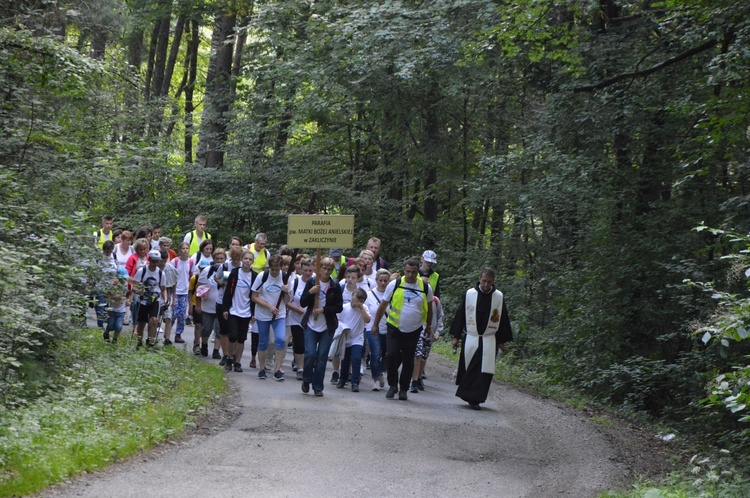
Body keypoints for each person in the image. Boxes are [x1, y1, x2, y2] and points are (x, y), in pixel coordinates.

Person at [450, 267, 513, 410]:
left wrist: (501, 341)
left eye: (489, 282)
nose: (486, 285)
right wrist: (456, 336)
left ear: (493, 282)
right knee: (470, 367)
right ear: (479, 279)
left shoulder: (498, 297)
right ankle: (468, 395)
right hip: (471, 337)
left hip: (489, 339)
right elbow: (461, 315)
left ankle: (476, 398)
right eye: (484, 281)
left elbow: (502, 320)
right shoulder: (470, 294)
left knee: (484, 371)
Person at [372, 258, 433, 401]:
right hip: (394, 327)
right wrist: (375, 324)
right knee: (391, 356)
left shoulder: (425, 287)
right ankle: (393, 385)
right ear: (404, 271)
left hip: (414, 329)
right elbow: (382, 306)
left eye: (414, 272)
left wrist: (428, 326)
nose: (411, 275)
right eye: (408, 272)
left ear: (418, 271)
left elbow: (430, 309)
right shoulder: (395, 284)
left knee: (408, 359)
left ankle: (404, 389)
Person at [299, 257, 343, 396]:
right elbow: (302, 302)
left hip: (327, 326)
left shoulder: (335, 286)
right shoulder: (312, 282)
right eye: (324, 268)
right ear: (319, 268)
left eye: (329, 269)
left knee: (322, 357)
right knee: (310, 353)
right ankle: (306, 379)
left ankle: (318, 387)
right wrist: (311, 293)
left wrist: (324, 310)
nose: (326, 271)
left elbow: (339, 307)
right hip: (311, 325)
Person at [251, 254, 291, 381]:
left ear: (280, 268)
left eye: (277, 269)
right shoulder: (262, 276)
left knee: (280, 339)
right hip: (263, 314)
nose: (274, 272)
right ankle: (262, 369)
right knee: (264, 341)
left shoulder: (285, 277)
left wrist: (286, 291)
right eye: (272, 269)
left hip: (279, 314)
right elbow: (254, 296)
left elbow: (287, 300)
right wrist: (269, 306)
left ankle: (278, 369)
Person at [222, 250, 256, 372]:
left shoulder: (254, 276)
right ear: (242, 259)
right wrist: (225, 308)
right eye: (245, 258)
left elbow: (255, 296)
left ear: (253, 262)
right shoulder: (235, 273)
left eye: (250, 259)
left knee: (241, 338)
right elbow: (227, 292)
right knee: (233, 336)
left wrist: (253, 313)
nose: (247, 261)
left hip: (246, 311)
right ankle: (229, 358)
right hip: (233, 310)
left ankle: (238, 362)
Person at [411, 282, 444, 393]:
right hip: (417, 331)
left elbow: (439, 317)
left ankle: (419, 377)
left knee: (424, 357)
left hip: (430, 333)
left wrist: (437, 332)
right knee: (418, 354)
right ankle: (414, 381)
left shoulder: (435, 301)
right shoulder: (414, 297)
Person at [336, 288, 371, 392]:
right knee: (345, 360)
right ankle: (342, 379)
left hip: (357, 338)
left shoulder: (364, 308)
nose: (356, 303)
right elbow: (338, 320)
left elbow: (368, 320)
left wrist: (361, 308)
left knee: (356, 359)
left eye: (360, 301)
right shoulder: (344, 308)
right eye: (355, 300)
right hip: (346, 337)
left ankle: (355, 382)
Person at [132, 250, 168, 348]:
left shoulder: (161, 274)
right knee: (142, 322)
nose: (155, 264)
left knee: (154, 320)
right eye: (153, 261)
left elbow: (163, 289)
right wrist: (139, 291)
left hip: (155, 300)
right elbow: (134, 286)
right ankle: (139, 341)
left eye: (157, 261)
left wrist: (166, 300)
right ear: (149, 260)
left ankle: (150, 342)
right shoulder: (142, 271)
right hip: (143, 300)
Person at [364, 268, 390, 391]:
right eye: (381, 280)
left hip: (388, 329)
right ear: (376, 280)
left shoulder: (392, 295)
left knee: (385, 355)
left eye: (385, 280)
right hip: (372, 329)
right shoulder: (369, 295)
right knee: (375, 354)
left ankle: (381, 374)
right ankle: (375, 379)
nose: (383, 283)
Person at [287, 258, 312, 381]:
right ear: (301, 269)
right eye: (305, 270)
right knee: (299, 344)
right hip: (296, 318)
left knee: (309, 346)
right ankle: (300, 368)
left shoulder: (315, 282)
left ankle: (308, 367)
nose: (308, 273)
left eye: (310, 270)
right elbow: (287, 302)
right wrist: (296, 309)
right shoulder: (295, 282)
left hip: (311, 319)